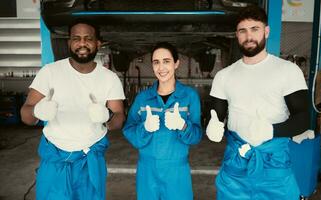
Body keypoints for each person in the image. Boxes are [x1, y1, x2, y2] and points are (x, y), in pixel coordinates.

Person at [206, 6, 311, 200]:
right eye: (242, 31)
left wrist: (271, 131)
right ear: (236, 35)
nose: (249, 36)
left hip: (274, 166)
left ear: (266, 31)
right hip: (236, 165)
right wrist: (213, 127)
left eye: (255, 29)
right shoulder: (224, 76)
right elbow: (217, 117)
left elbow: (303, 119)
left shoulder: (287, 71)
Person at [20, 19, 125, 200]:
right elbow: (26, 115)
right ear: (69, 42)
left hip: (90, 162)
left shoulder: (109, 78)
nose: (82, 43)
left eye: (88, 38)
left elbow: (119, 119)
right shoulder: (50, 72)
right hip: (55, 162)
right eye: (76, 38)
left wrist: (107, 116)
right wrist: (37, 112)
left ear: (98, 43)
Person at [123, 42, 202, 200]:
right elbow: (129, 130)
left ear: (176, 63)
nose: (161, 67)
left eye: (166, 61)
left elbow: (197, 136)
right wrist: (144, 128)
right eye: (156, 62)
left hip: (177, 171)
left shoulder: (189, 96)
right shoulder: (143, 99)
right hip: (147, 170)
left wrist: (183, 125)